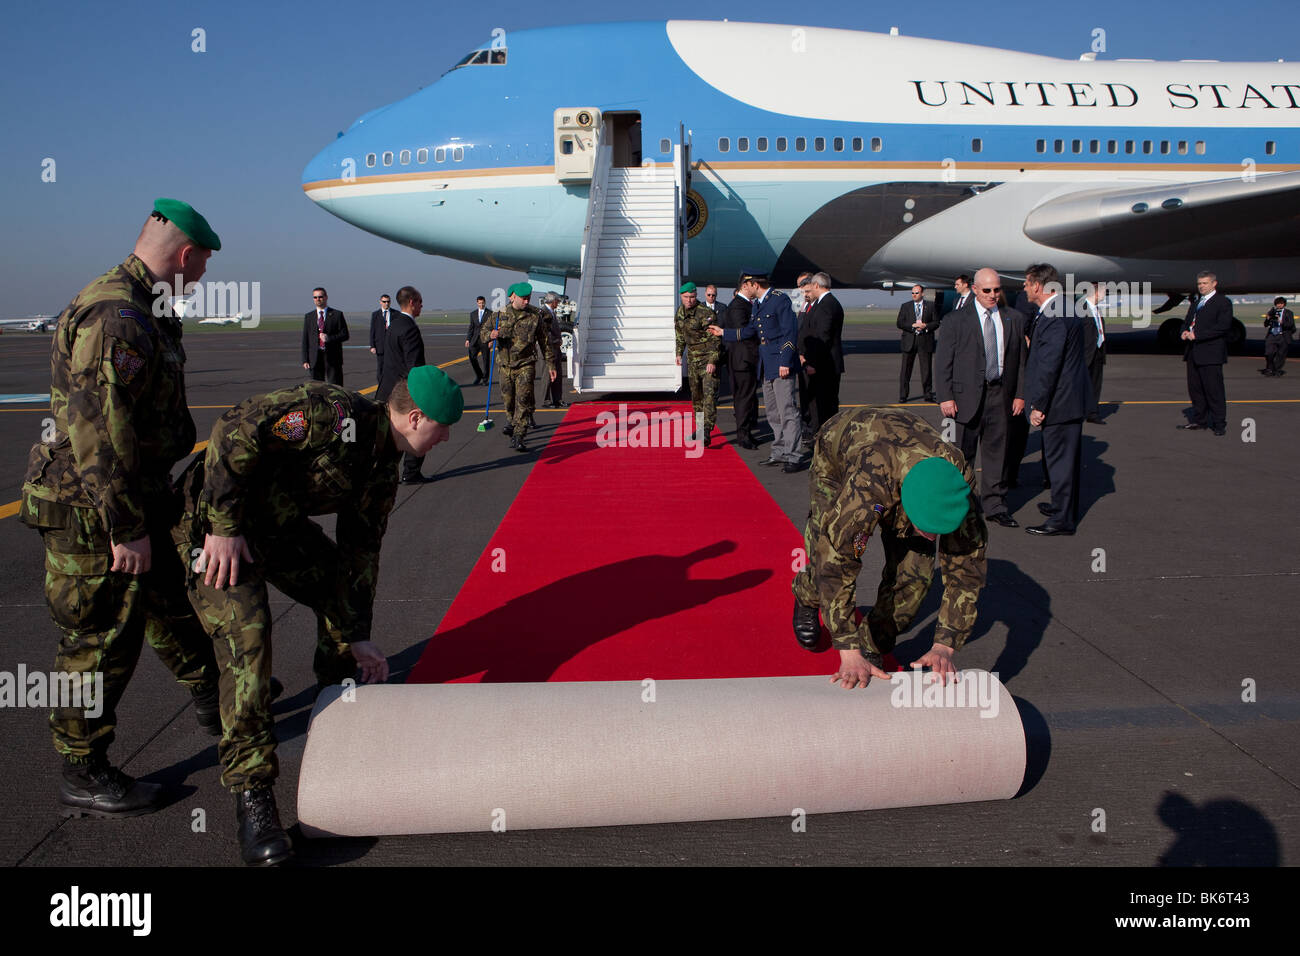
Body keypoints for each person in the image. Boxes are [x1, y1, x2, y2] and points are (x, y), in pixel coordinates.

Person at [171, 365, 462, 864]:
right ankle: (253, 794)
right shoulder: (330, 414)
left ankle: (338, 713)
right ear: (415, 418)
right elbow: (233, 429)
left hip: (276, 529)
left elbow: (359, 554)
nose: (445, 439)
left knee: (335, 586)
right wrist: (222, 525)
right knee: (249, 639)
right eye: (442, 428)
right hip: (214, 528)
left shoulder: (382, 468)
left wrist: (357, 636)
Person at [18, 198, 221, 818]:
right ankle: (83, 765)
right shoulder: (118, 316)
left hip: (132, 495)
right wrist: (126, 528)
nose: (202, 280)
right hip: (95, 512)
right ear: (186, 256)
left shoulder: (140, 305)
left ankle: (215, 695)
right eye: (204, 266)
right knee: (99, 637)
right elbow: (98, 435)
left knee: (166, 600)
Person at [791, 407, 987, 689]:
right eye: (927, 529)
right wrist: (848, 650)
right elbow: (837, 561)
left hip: (907, 464)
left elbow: (967, 570)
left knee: (915, 581)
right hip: (839, 453)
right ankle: (806, 593)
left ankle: (873, 642)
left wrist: (945, 645)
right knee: (826, 544)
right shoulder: (868, 484)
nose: (933, 539)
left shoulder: (957, 483)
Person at [935, 268, 1027, 527]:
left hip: (1001, 394)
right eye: (987, 290)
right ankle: (961, 504)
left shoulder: (1014, 319)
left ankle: (995, 504)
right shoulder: (955, 320)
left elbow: (1020, 361)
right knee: (963, 454)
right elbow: (943, 362)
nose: (993, 295)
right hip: (965, 398)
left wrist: (1020, 394)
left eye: (997, 290)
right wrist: (945, 396)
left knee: (997, 452)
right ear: (975, 289)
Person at [1022, 263, 1093, 535]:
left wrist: (1039, 405)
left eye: (1028, 284)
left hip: (1060, 403)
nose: (1025, 289)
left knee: (1060, 464)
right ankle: (1061, 507)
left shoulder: (1055, 314)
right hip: (1068, 399)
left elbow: (1049, 365)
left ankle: (1062, 520)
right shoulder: (1062, 308)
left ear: (1038, 285)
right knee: (1063, 462)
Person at [709, 270, 803, 472]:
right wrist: (724, 332)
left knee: (787, 410)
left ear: (754, 284)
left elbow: (790, 333)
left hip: (780, 363)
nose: (744, 287)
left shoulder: (779, 300)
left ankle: (793, 455)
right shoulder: (759, 305)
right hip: (766, 364)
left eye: (746, 284)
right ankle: (779, 452)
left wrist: (785, 361)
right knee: (772, 412)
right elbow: (751, 330)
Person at [481, 282, 557, 452]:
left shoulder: (535, 316)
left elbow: (545, 343)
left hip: (525, 364)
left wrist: (551, 364)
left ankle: (519, 435)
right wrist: (491, 335)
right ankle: (512, 422)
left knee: (522, 400)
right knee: (509, 401)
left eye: (528, 298)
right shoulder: (499, 315)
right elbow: (483, 333)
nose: (526, 301)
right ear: (512, 296)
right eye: (523, 298)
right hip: (505, 366)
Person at [377, 286, 432, 483]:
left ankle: (386, 473)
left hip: (387, 389)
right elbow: (414, 367)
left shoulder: (394, 325)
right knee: (416, 431)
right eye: (419, 301)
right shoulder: (409, 329)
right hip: (404, 391)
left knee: (391, 436)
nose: (422, 305)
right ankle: (411, 472)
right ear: (411, 302)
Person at [1177, 271, 1234, 436]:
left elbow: (1223, 326)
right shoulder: (1196, 303)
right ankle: (1199, 421)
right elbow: (1187, 322)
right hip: (1193, 353)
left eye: (1205, 283)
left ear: (1214, 284)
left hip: (1211, 354)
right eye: (1199, 284)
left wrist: (1198, 335)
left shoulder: (1222, 302)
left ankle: (1219, 423)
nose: (1201, 286)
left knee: (1214, 390)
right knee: (1196, 390)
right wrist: (1184, 332)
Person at [797, 272, 845, 439]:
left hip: (824, 366)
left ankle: (823, 441)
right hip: (825, 363)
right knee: (823, 405)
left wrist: (811, 362)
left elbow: (822, 337)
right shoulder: (827, 303)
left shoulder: (826, 305)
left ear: (816, 286)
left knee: (824, 406)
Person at [674, 282, 721, 447]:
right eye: (686, 297)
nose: (689, 300)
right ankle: (700, 429)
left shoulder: (706, 313)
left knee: (709, 397)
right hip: (692, 361)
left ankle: (706, 431)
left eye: (692, 297)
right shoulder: (680, 313)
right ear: (681, 296)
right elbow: (680, 334)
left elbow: (715, 339)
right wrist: (679, 353)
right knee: (697, 398)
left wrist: (712, 361)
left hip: (707, 359)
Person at [718, 276, 760, 448]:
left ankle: (747, 432)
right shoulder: (738, 306)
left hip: (745, 358)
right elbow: (742, 333)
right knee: (743, 398)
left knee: (747, 397)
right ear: (744, 286)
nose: (756, 288)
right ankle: (743, 436)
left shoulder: (745, 305)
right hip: (743, 359)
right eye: (753, 285)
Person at [897, 284, 939, 403]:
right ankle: (903, 395)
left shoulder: (930, 306)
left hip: (925, 340)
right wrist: (912, 326)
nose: (914, 295)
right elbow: (899, 323)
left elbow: (936, 322)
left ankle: (927, 394)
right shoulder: (905, 306)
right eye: (913, 293)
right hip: (909, 341)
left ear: (922, 294)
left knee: (926, 370)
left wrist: (926, 326)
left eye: (917, 293)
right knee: (905, 370)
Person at [301, 287, 348, 385]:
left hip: (332, 357)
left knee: (335, 385)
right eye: (315, 297)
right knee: (316, 387)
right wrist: (305, 359)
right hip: (315, 357)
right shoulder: (309, 317)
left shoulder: (337, 315)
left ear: (326, 297)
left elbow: (345, 335)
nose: (318, 299)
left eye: (320, 297)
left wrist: (329, 338)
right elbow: (305, 339)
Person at [1082, 282, 1107, 423]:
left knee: (1096, 384)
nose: (1105, 294)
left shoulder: (1096, 309)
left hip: (1097, 352)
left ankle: (1092, 413)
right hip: (1085, 353)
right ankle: (1081, 411)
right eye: (1103, 292)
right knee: (1082, 385)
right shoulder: (1081, 309)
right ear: (1096, 293)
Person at [541, 292, 568, 408]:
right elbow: (544, 333)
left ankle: (557, 399)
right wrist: (557, 341)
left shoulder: (551, 312)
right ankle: (546, 400)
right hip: (548, 348)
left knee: (558, 374)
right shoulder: (543, 313)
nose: (558, 303)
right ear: (553, 301)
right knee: (547, 375)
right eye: (557, 301)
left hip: (555, 348)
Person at [1262, 296, 1294, 377]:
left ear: (1284, 304)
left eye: (1281, 304)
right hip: (1272, 335)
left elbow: (1291, 325)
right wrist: (1268, 318)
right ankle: (1269, 368)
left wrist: (1281, 321)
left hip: (1283, 335)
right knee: (1269, 353)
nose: (1279, 305)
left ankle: (1276, 369)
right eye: (1277, 304)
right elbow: (1265, 325)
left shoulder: (1288, 313)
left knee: (1281, 354)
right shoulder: (1272, 312)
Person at [466, 295, 491, 386]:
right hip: (475, 340)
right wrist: (468, 339)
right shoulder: (473, 314)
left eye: (482, 303)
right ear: (477, 303)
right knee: (472, 357)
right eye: (479, 303)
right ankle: (479, 375)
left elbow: (492, 328)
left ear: (485, 302)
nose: (481, 304)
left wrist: (491, 341)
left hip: (485, 340)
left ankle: (485, 379)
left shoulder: (490, 313)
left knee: (485, 360)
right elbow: (471, 327)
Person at [368, 293, 393, 383]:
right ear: (380, 302)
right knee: (381, 367)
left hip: (392, 346)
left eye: (388, 301)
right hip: (380, 346)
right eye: (384, 301)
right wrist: (372, 346)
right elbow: (372, 331)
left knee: (392, 366)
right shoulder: (375, 315)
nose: (386, 303)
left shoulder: (396, 314)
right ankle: (381, 384)